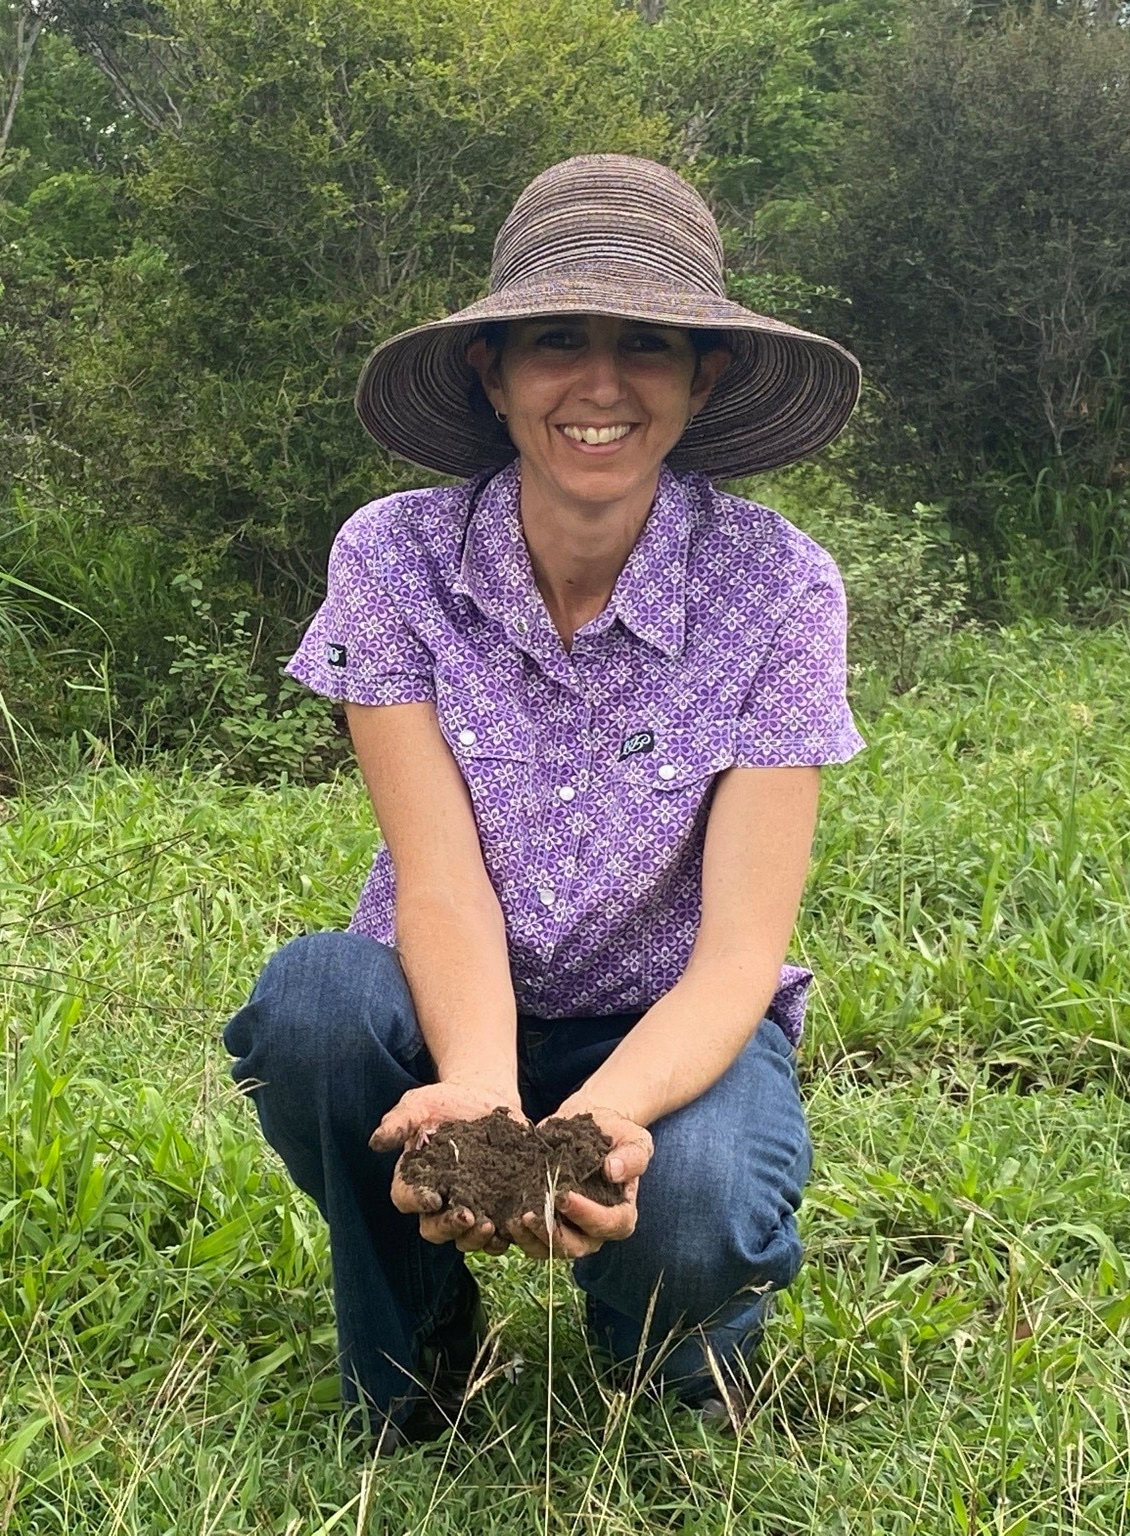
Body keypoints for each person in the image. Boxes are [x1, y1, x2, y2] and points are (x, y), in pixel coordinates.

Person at [222, 154, 865, 1452]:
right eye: (558, 340)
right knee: (314, 1007)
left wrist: (596, 1127)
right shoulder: (391, 557)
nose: (601, 386)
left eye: (649, 345)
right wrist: (480, 1093)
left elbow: (740, 949)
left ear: (707, 375)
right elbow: (439, 877)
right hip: (454, 998)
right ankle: (420, 1348)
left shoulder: (783, 591)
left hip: (671, 1019)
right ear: (493, 370)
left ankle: (678, 1364)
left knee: (692, 1215)